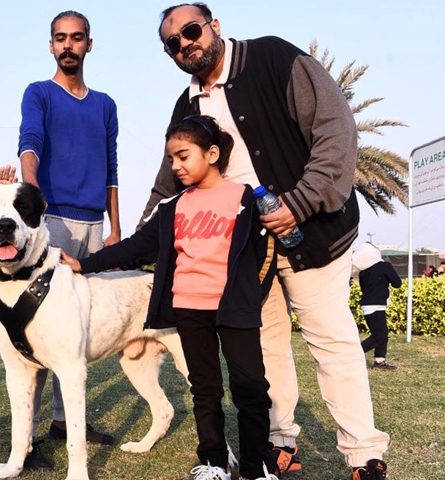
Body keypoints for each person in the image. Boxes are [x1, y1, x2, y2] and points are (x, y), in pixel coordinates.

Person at [143, 4, 391, 479]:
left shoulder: (275, 60)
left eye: (190, 31)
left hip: (312, 231)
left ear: (215, 27)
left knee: (333, 342)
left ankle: (364, 456)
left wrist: (299, 202)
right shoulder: (187, 107)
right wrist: (136, 243)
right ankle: (279, 446)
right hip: (245, 252)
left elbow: (336, 129)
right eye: (171, 42)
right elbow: (168, 187)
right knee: (266, 349)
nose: (184, 44)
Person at [63, 116, 279, 480]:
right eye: (171, 160)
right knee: (204, 389)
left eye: (183, 156)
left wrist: (248, 294)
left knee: (251, 388)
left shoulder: (244, 198)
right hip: (189, 309)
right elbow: (135, 247)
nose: (176, 166)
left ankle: (257, 467)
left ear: (212, 154)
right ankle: (213, 463)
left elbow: (263, 252)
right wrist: (84, 264)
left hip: (235, 308)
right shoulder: (173, 207)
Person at [17, 10, 118, 467]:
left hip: (95, 225)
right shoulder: (38, 93)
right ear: (51, 45)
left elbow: (112, 167)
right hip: (51, 220)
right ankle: (29, 441)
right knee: (39, 329)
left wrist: (116, 228)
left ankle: (64, 420)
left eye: (77, 38)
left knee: (74, 332)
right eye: (61, 39)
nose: (69, 46)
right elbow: (30, 142)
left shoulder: (105, 104)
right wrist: (31, 192)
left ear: (89, 45)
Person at [353, 243, 401, 370]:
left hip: (366, 306)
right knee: (379, 336)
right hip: (377, 305)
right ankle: (352, 355)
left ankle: (380, 361)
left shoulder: (363, 272)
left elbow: (363, 289)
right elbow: (397, 283)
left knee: (381, 334)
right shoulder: (384, 266)